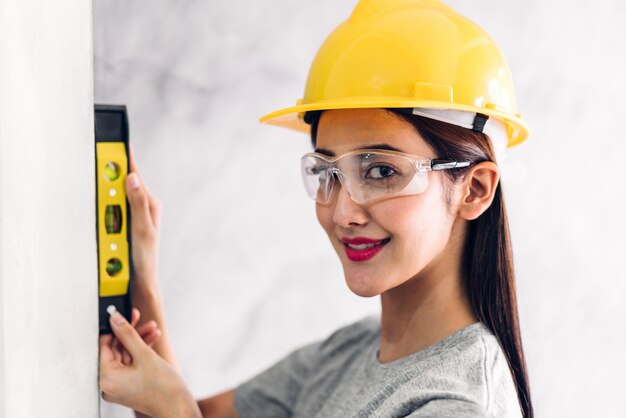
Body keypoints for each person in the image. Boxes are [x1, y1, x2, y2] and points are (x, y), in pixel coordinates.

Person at [99, 0, 533, 417]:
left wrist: (172, 407)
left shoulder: (459, 406)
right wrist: (143, 278)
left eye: (381, 171)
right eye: (328, 172)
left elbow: (177, 412)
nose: (344, 212)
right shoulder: (350, 353)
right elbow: (188, 413)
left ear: (474, 189)